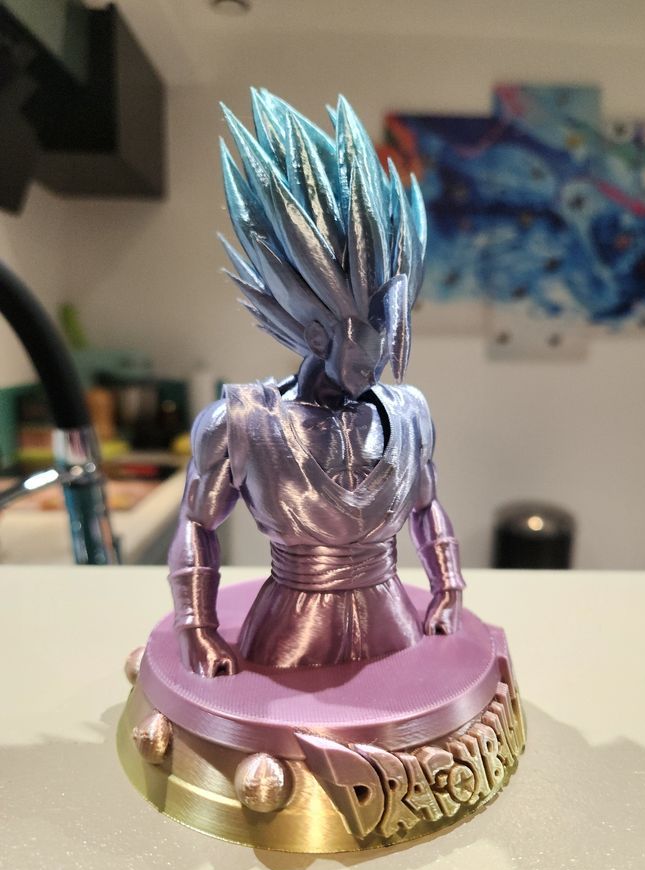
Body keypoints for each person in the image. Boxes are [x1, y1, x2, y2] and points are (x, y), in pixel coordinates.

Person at [168, 89, 464, 677]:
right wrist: (196, 628)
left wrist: (449, 588)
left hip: (394, 625)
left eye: (385, 352)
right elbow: (197, 524)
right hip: (289, 635)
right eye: (361, 361)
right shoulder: (242, 422)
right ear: (317, 336)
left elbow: (427, 507)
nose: (373, 373)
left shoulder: (407, 413)